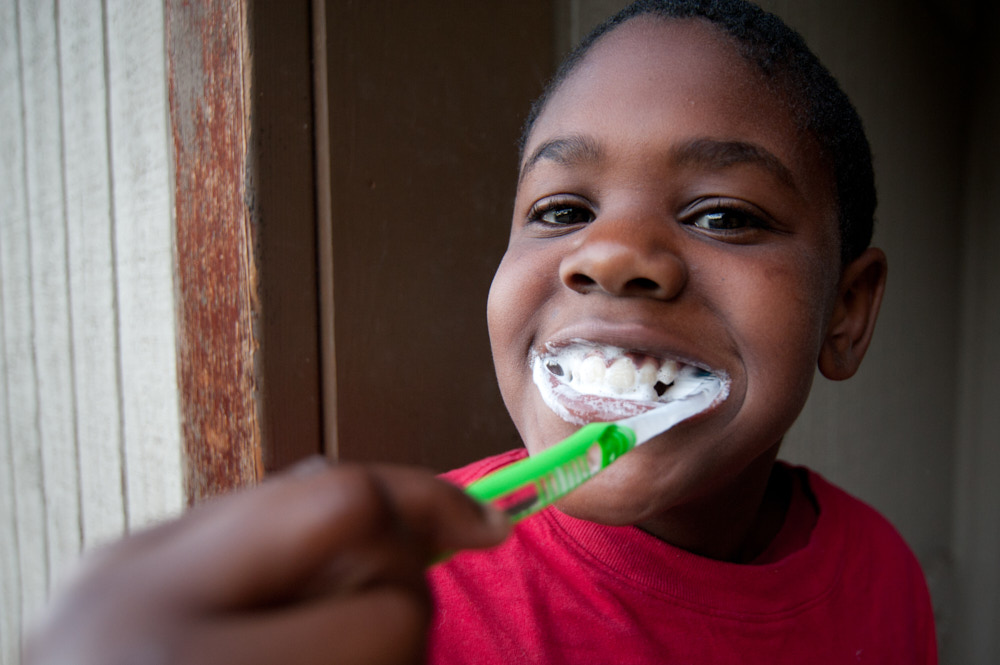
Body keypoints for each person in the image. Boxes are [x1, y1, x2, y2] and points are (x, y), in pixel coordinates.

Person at [25, 1, 937, 663]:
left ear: (847, 314)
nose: (612, 252)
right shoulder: (399, 603)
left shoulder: (884, 575)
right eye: (563, 208)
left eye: (726, 215)